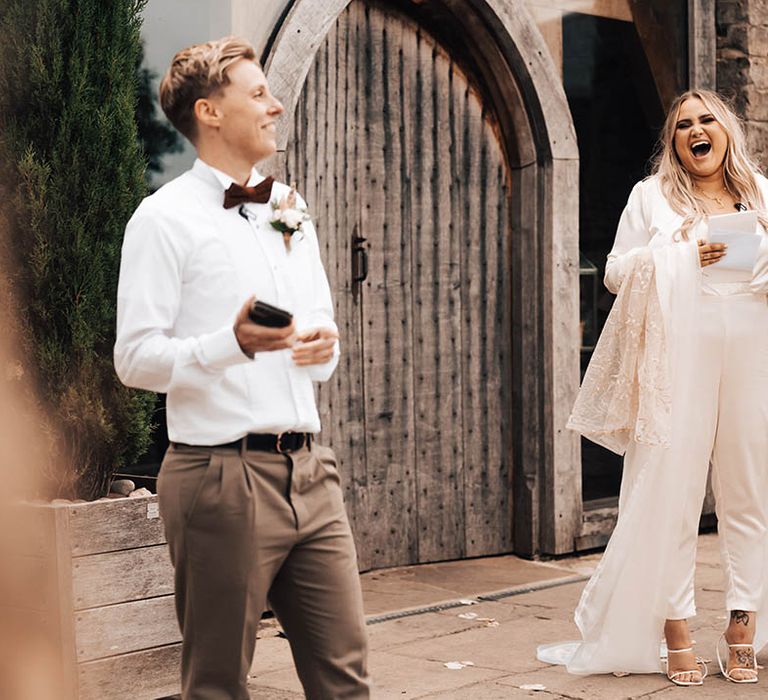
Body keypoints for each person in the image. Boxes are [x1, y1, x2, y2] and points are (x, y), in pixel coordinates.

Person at [114, 36, 370, 700]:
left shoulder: (288, 208)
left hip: (313, 473)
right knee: (218, 685)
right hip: (219, 481)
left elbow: (322, 331)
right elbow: (134, 359)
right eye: (258, 93)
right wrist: (230, 345)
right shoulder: (162, 220)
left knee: (346, 681)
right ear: (209, 112)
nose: (275, 105)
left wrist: (324, 346)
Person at [538, 89, 768, 686]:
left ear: (727, 131)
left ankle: (744, 625)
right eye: (683, 124)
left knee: (753, 490)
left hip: (753, 344)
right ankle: (677, 626)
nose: (696, 130)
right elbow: (617, 269)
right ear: (673, 142)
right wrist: (685, 253)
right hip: (680, 349)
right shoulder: (652, 197)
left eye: (706, 120)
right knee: (671, 489)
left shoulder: (763, 192)